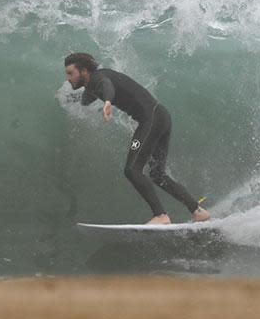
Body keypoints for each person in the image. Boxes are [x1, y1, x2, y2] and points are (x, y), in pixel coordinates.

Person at [64, 52, 211, 225]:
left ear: (84, 71)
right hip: (161, 117)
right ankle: (197, 210)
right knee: (157, 174)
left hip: (151, 121)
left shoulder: (99, 78)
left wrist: (108, 102)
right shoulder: (91, 86)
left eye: (70, 73)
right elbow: (86, 99)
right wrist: (68, 99)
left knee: (132, 169)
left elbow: (107, 86)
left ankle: (161, 215)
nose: (68, 78)